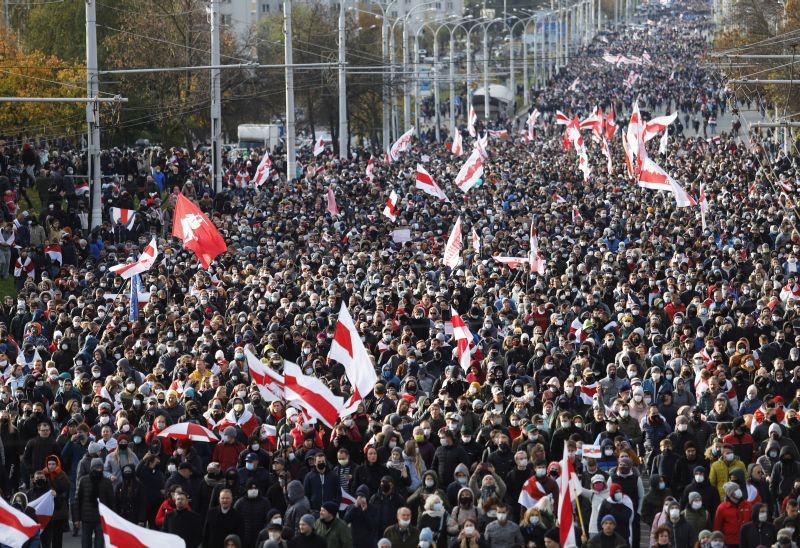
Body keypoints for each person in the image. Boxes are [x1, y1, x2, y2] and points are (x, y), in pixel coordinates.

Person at [75, 457, 114, 548]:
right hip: (86, 518)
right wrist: (76, 518)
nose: (99, 470)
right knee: (85, 544)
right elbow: (77, 500)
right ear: (92, 468)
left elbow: (111, 501)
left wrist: (112, 517)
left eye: (100, 468)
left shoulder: (106, 482)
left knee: (99, 545)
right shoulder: (83, 481)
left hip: (101, 518)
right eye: (96, 468)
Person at [714, 481, 753, 548]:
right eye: (735, 490)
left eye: (738, 489)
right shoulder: (722, 508)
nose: (738, 491)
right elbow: (717, 527)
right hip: (730, 542)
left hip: (746, 540)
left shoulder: (748, 505)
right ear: (730, 494)